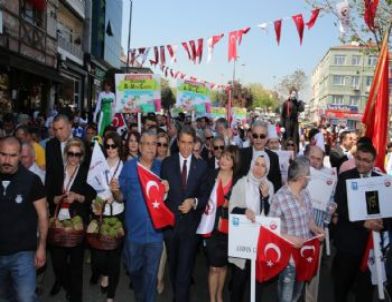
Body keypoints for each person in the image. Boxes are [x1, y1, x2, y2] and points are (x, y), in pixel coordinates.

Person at [160, 125, 209, 301]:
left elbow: (205, 197)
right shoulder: (167, 164)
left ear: (194, 143)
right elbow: (160, 196)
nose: (186, 147)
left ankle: (181, 298)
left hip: (190, 228)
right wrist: (162, 190)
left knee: (184, 270)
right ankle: (179, 295)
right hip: (171, 227)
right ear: (178, 142)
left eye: (190, 143)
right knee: (173, 268)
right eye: (183, 142)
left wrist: (194, 202)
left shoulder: (202, 166)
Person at [120, 128, 168, 302]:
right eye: (146, 144)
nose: (150, 148)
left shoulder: (162, 168)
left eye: (154, 144)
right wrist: (115, 190)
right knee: (133, 269)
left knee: (151, 275)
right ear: (139, 147)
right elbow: (120, 196)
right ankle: (140, 296)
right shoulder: (129, 167)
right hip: (134, 233)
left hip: (155, 234)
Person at [269, 156, 324, 302]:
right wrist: (290, 239)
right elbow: (270, 230)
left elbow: (309, 220)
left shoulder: (305, 194)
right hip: (288, 259)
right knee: (286, 299)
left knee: (297, 296)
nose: (309, 179)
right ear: (301, 177)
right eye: (308, 176)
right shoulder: (279, 198)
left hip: (304, 256)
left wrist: (316, 229)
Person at [0, 136, 47, 302]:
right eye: (3, 154)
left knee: (26, 297)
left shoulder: (32, 181)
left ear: (20, 156)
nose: (7, 160)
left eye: (13, 155)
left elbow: (43, 215)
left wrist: (41, 247)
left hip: (23, 253)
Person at [333, 143, 382, 302]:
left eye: (366, 160)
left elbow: (387, 212)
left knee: (366, 291)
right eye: (359, 158)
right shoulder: (345, 178)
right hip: (347, 244)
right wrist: (363, 223)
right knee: (342, 288)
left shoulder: (380, 181)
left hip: (370, 247)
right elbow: (341, 207)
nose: (361, 163)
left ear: (373, 162)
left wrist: (382, 223)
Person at [49, 138, 96, 302]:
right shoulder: (57, 171)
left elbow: (91, 197)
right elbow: (48, 194)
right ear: (66, 154)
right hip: (57, 223)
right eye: (71, 154)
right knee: (58, 262)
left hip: (76, 223)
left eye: (78, 154)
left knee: (76, 265)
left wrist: (77, 196)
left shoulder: (85, 172)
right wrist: (54, 199)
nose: (74, 158)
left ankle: (76, 297)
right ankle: (66, 284)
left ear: (82, 155)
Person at [229, 155, 275, 302]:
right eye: (256, 164)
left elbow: (270, 216)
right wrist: (244, 211)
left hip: (260, 241)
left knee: (257, 282)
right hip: (242, 241)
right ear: (251, 165)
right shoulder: (241, 183)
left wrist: (266, 197)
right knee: (238, 281)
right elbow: (231, 209)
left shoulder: (269, 186)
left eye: (263, 165)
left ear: (267, 169)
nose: (259, 169)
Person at [90, 132, 124, 302]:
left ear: (119, 147)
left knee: (114, 256)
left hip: (118, 214)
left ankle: (111, 295)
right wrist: (94, 203)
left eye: (114, 146)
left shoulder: (124, 166)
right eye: (108, 146)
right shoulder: (99, 164)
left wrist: (116, 193)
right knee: (98, 255)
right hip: (99, 214)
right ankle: (103, 273)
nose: (110, 149)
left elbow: (124, 196)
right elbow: (93, 187)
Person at [204, 146, 240, 302]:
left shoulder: (239, 180)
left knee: (223, 265)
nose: (224, 160)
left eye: (228, 158)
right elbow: (203, 197)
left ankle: (219, 295)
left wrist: (229, 204)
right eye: (223, 156)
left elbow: (242, 205)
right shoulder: (210, 175)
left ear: (234, 162)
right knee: (213, 266)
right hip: (211, 227)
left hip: (230, 229)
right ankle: (212, 299)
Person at [304, 145, 337, 302]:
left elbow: (331, 203)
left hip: (317, 233)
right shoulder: (298, 173)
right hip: (297, 231)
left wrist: (331, 211)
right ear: (307, 157)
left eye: (319, 159)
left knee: (313, 272)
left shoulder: (329, 178)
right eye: (313, 157)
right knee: (295, 270)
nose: (315, 161)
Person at [239, 120, 282, 192]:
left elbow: (277, 184)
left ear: (267, 137)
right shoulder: (241, 154)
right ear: (251, 136)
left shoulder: (273, 157)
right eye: (255, 136)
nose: (258, 139)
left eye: (262, 136)